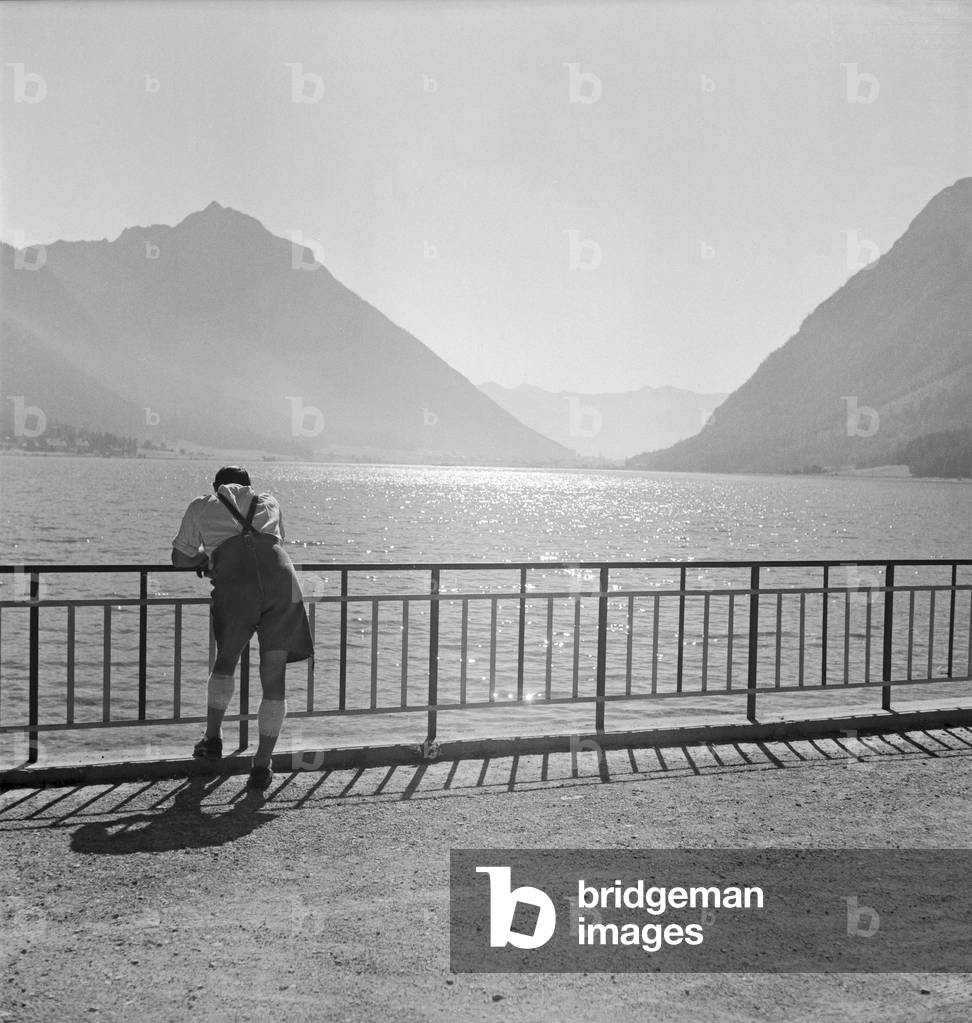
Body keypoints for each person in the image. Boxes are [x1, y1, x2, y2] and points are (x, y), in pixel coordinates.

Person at [171, 466, 314, 790]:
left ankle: (213, 739)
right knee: (274, 676)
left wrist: (205, 560)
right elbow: (277, 541)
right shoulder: (269, 501)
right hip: (282, 582)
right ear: (250, 486)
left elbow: (180, 557)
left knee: (226, 661)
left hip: (237, 586)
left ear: (216, 486)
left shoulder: (202, 505)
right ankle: (262, 765)